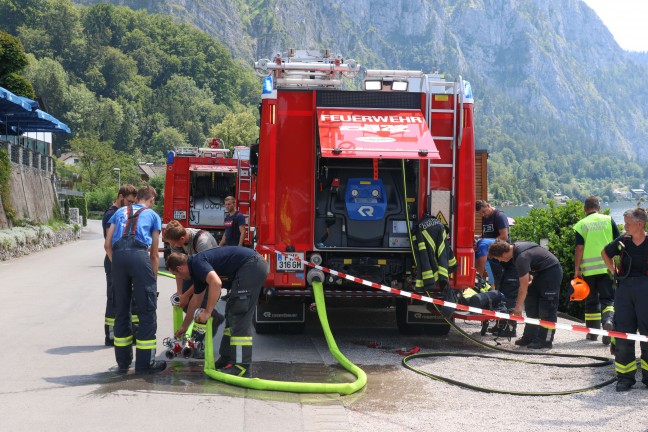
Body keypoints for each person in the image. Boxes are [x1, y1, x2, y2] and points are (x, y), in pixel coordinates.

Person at [166, 247, 269, 377]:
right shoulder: (196, 272)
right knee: (232, 311)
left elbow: (216, 282)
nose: (180, 278)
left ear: (180, 269)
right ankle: (226, 358)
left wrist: (208, 312)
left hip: (252, 266)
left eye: (176, 275)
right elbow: (196, 300)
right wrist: (184, 326)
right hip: (251, 266)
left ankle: (241, 366)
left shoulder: (198, 263)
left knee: (239, 313)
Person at [104, 185, 165, 374]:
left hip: (118, 257)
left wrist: (118, 264)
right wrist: (152, 279)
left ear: (137, 197)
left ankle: (123, 362)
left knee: (121, 309)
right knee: (147, 309)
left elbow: (107, 245)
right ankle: (145, 364)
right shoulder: (153, 216)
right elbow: (154, 254)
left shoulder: (120, 212)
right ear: (151, 200)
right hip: (139, 256)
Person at [601, 208, 648, 392]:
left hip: (645, 290)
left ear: (639, 224)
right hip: (625, 290)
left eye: (627, 223)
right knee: (623, 332)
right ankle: (625, 378)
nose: (624, 226)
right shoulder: (623, 241)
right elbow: (605, 253)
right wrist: (614, 272)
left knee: (647, 333)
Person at [163, 219, 222, 357]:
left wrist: (188, 295)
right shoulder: (177, 242)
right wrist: (181, 294)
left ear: (182, 239)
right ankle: (214, 316)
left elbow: (204, 276)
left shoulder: (203, 242)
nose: (172, 246)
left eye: (173, 243)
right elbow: (177, 269)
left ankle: (197, 345)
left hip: (211, 276)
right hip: (193, 271)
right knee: (186, 305)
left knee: (200, 305)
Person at [488, 239, 563, 349]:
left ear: (503, 253)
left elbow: (523, 287)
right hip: (540, 273)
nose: (501, 261)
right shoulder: (516, 249)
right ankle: (530, 337)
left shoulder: (521, 257)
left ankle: (545, 341)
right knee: (531, 305)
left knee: (547, 308)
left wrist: (518, 306)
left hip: (551, 272)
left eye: (498, 258)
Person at [573, 196, 620, 345]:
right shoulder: (608, 220)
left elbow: (579, 248)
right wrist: (617, 266)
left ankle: (592, 334)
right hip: (607, 268)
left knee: (592, 301)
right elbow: (620, 243)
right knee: (609, 299)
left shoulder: (581, 224)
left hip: (589, 271)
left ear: (584, 208)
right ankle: (608, 324)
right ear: (598, 207)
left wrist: (577, 270)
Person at [101, 184, 137, 346]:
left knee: (129, 297)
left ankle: (130, 331)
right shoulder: (111, 215)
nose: (131, 205)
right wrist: (115, 264)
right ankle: (110, 334)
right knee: (114, 298)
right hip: (114, 260)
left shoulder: (122, 212)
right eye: (129, 201)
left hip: (122, 260)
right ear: (121, 197)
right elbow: (110, 243)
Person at [475, 200, 510, 284]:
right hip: (490, 250)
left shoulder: (499, 216)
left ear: (488, 206)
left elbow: (504, 237)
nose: (483, 215)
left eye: (484, 212)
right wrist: (477, 237)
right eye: (481, 214)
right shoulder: (485, 217)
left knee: (483, 244)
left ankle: (477, 278)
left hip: (500, 249)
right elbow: (487, 235)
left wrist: (484, 241)